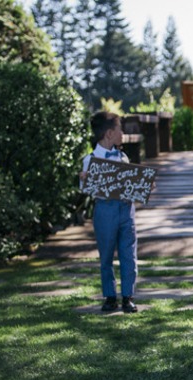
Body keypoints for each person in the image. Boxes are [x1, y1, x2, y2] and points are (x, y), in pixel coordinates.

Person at [81, 112, 138, 313]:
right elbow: (86, 189)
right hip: (105, 209)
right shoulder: (91, 160)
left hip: (126, 208)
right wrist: (86, 179)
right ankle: (110, 296)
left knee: (128, 253)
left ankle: (128, 296)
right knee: (106, 254)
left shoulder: (123, 156)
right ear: (109, 133)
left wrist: (143, 185)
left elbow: (130, 183)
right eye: (119, 129)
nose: (122, 133)